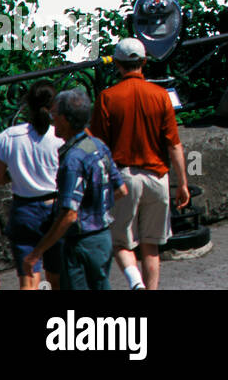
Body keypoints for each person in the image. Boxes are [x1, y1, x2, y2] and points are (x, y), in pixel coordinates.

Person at [90, 37, 188, 290]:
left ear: (118, 64)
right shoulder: (160, 95)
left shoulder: (107, 97)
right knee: (151, 245)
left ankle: (136, 284)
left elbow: (99, 146)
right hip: (158, 178)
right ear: (144, 62)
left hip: (124, 178)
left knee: (121, 243)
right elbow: (174, 145)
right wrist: (183, 183)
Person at [24, 89, 128, 292]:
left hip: (81, 244)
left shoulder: (73, 159)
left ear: (65, 119)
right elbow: (121, 189)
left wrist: (37, 253)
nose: (52, 120)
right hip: (103, 238)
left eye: (55, 115)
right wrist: (95, 209)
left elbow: (69, 214)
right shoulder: (97, 145)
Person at [0, 81, 63, 289]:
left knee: (28, 277)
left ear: (27, 103)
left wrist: (14, 175)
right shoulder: (61, 136)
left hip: (24, 209)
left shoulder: (9, 136)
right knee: (58, 276)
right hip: (56, 209)